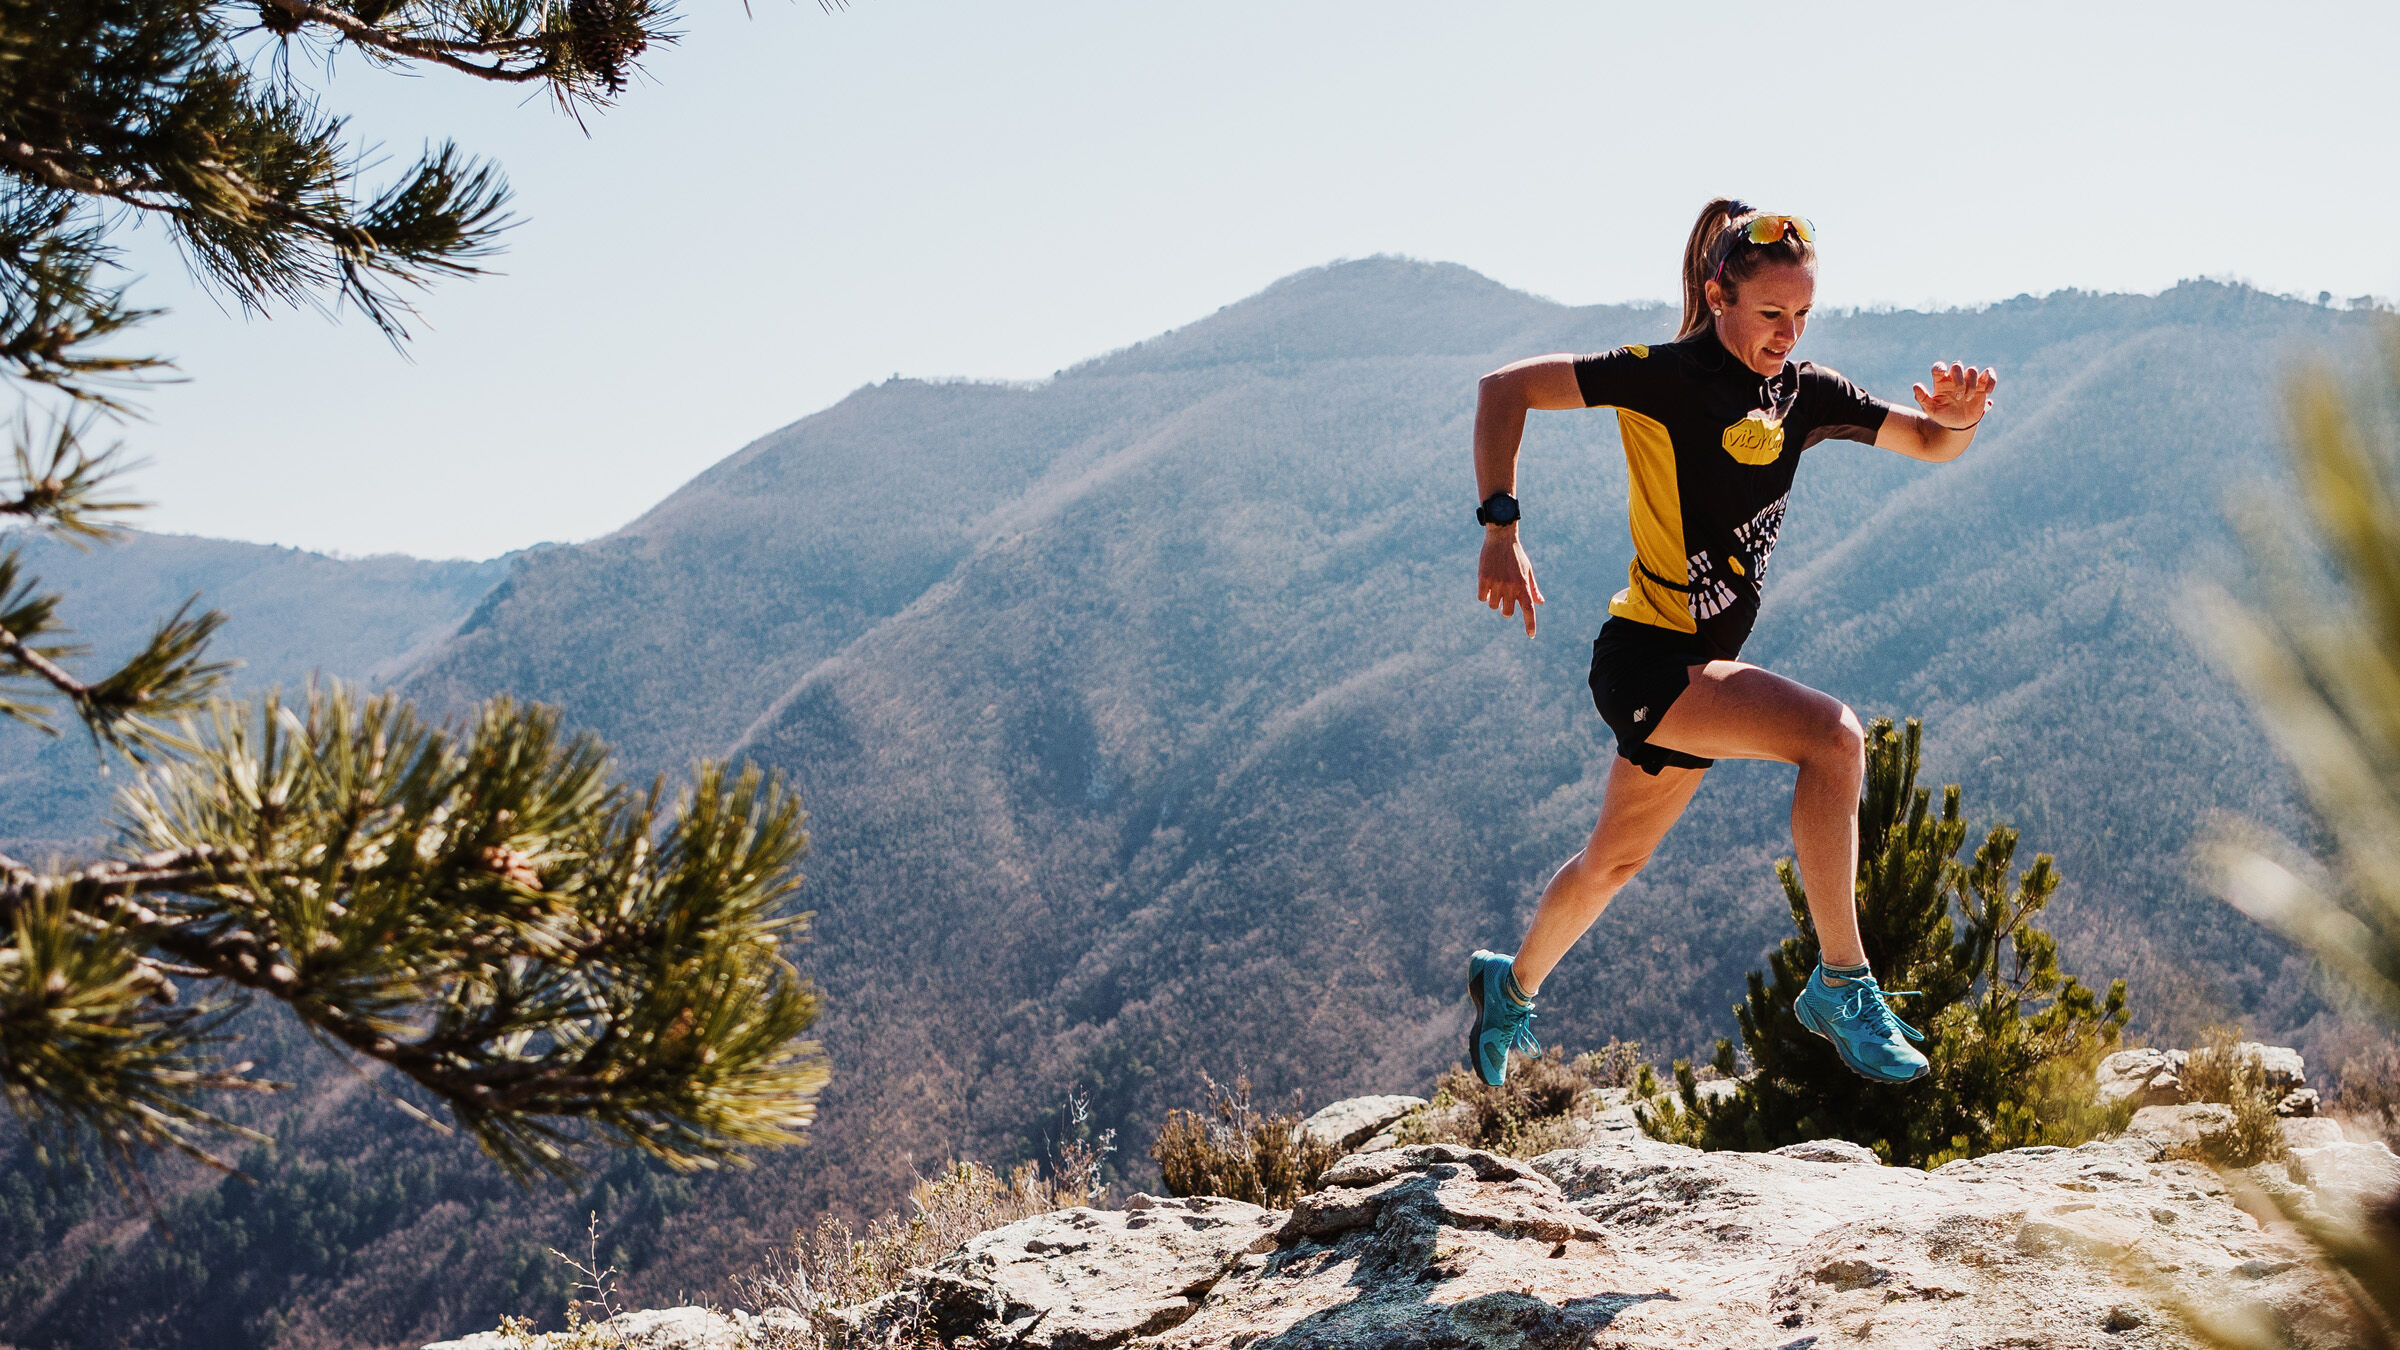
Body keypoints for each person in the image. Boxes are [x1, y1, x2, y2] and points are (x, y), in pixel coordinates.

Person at [1462, 197, 1997, 1088]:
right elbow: (1503, 389)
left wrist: (1961, 417)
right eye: (1770, 314)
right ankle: (1842, 982)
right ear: (1719, 294)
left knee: (1613, 861)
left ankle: (1507, 989)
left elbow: (1932, 446)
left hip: (1694, 672)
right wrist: (1499, 527)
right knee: (1833, 739)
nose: (1787, 334)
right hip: (1648, 658)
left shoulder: (1808, 394)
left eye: (1801, 316)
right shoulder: (1661, 375)